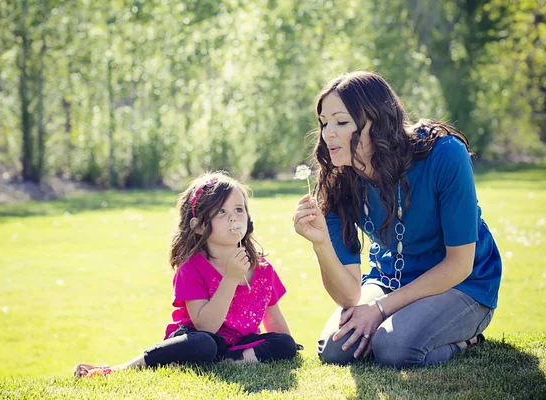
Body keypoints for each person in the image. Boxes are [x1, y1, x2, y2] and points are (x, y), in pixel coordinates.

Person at [292, 71, 502, 368]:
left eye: (341, 122)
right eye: (324, 123)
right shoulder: (338, 180)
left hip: (463, 282)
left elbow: (460, 263)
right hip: (391, 278)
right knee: (335, 351)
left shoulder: (444, 155)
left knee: (394, 347)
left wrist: (379, 310)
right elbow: (349, 295)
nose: (328, 134)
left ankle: (467, 338)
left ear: (377, 121)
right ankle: (405, 324)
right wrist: (321, 245)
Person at [75, 172, 298, 377]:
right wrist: (230, 278)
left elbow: (274, 319)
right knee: (204, 345)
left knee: (286, 344)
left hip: (240, 346)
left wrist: (287, 348)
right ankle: (122, 368)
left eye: (239, 210)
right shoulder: (191, 267)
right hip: (197, 339)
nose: (233, 218)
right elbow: (206, 326)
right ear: (199, 226)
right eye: (221, 211)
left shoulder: (262, 268)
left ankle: (227, 363)